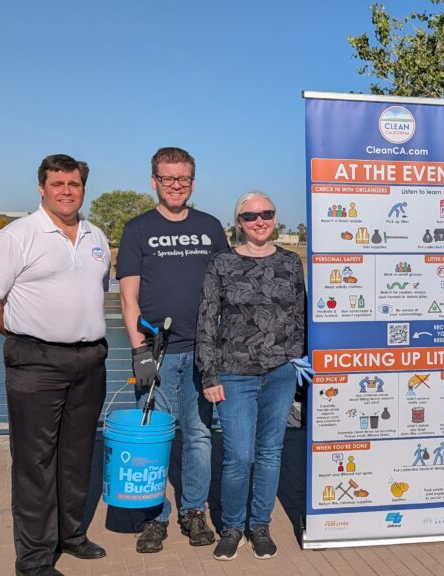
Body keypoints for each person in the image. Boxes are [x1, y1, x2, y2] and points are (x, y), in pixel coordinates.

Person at [0, 155, 110, 576]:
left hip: (90, 359)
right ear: (41, 188)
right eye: (58, 183)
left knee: (77, 455)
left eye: (74, 184)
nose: (67, 190)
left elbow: (93, 291)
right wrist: (21, 335)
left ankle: (71, 536)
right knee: (34, 463)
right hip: (35, 361)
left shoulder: (95, 236)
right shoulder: (17, 236)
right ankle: (33, 560)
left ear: (83, 188)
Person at [116, 147, 228, 552]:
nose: (176, 185)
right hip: (155, 353)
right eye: (168, 178)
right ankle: (154, 515)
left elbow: (225, 291)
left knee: (198, 435)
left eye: (183, 178)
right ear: (154, 181)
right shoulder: (137, 229)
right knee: (154, 437)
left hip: (201, 352)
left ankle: (194, 512)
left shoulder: (211, 227)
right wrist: (138, 351)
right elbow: (127, 299)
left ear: (192, 182)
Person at [196, 192, 306, 561]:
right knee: (239, 456)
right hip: (234, 373)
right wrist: (208, 374)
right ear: (238, 222)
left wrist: (300, 362)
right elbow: (208, 319)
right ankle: (231, 527)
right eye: (250, 216)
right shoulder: (222, 263)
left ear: (275, 217)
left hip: (281, 372)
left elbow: (301, 316)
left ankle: (259, 525)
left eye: (267, 214)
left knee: (270, 453)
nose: (260, 221)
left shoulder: (291, 263)